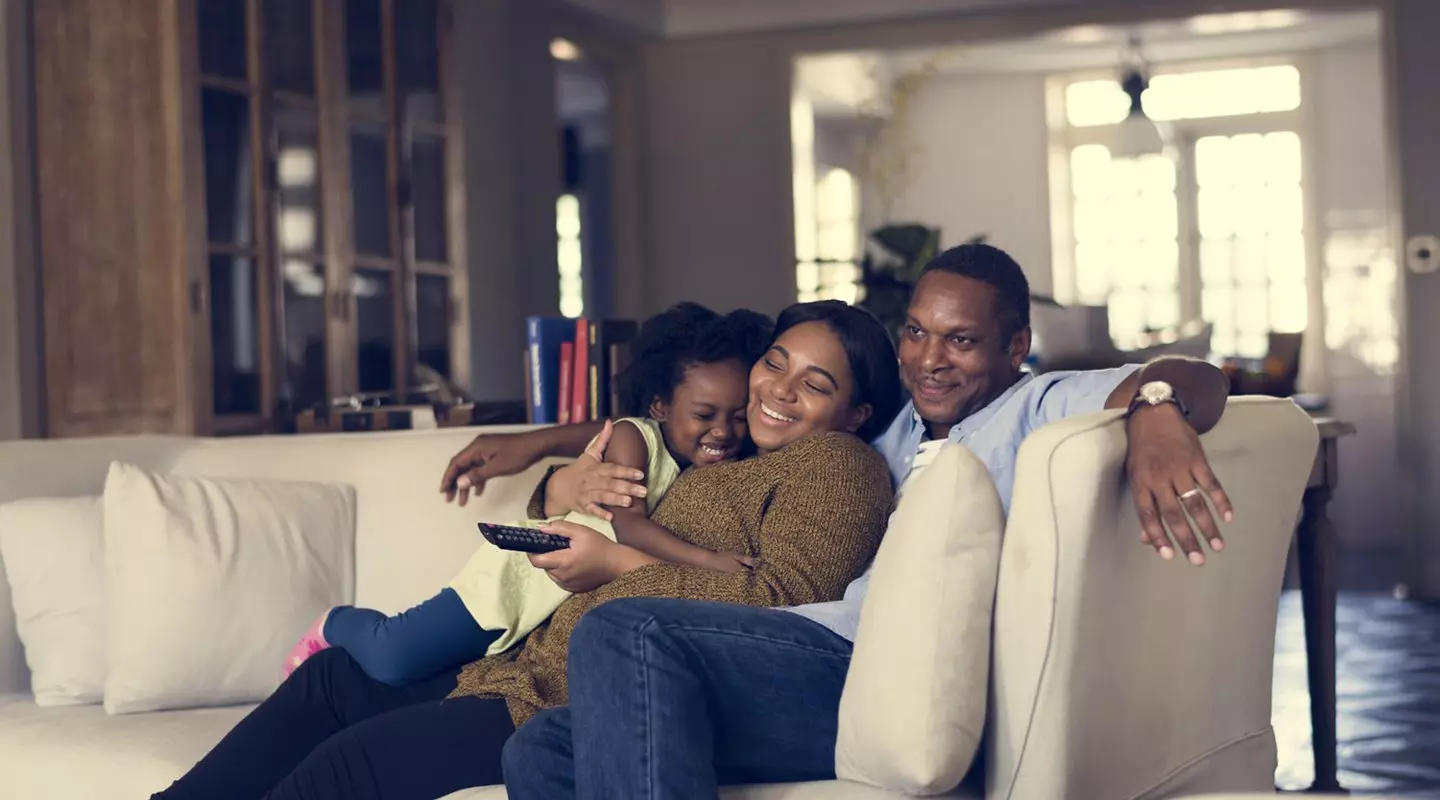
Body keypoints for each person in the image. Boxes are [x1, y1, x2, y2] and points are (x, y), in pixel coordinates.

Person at [487, 243, 1236, 799]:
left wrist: (1159, 410)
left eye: (961, 340)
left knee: (627, 629)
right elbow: (717, 426)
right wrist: (552, 454)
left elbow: (1199, 377)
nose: (929, 360)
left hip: (884, 670)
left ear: (1016, 347)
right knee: (544, 749)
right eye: (915, 333)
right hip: (811, 659)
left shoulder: (1037, 406)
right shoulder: (888, 427)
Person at [152, 300, 904, 800]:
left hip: (573, 694)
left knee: (352, 767)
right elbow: (638, 441)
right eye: (775, 362)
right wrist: (549, 468)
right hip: (524, 662)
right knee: (335, 679)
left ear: (857, 411)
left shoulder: (837, 467)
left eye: (816, 383)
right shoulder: (729, 448)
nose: (776, 389)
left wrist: (619, 564)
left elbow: (781, 608)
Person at [281, 304, 773, 686]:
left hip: (544, 606)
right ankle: (336, 623)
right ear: (662, 406)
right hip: (508, 582)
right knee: (395, 657)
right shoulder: (634, 439)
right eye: (705, 415)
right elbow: (630, 525)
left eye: (737, 416)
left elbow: (588, 431)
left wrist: (534, 444)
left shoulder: (699, 461)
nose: (724, 431)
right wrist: (708, 561)